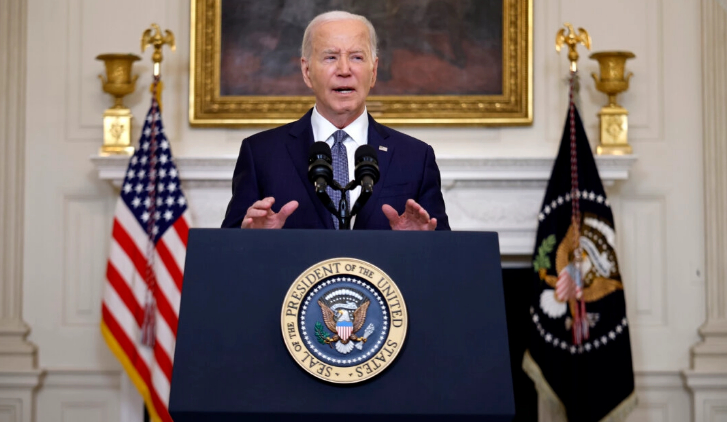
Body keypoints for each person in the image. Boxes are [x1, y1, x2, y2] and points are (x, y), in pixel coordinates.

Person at [221, 10, 450, 231]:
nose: (344, 70)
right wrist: (253, 240)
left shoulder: (416, 157)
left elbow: (446, 256)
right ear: (307, 71)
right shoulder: (261, 154)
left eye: (357, 57)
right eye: (330, 57)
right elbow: (227, 254)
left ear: (374, 71)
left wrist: (419, 245)